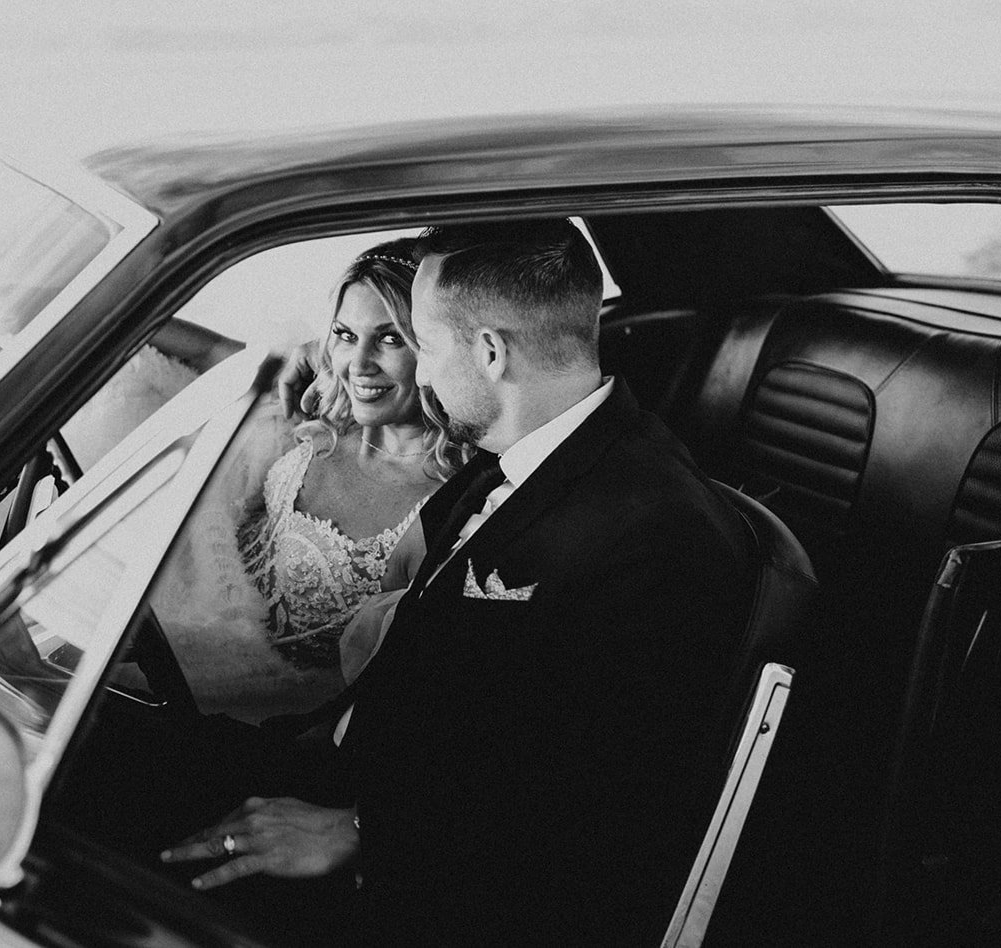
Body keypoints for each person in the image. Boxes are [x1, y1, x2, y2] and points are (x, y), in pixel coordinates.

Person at [162, 219, 756, 947]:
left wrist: (358, 832)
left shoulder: (661, 538)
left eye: (425, 344)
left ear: (490, 352)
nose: (421, 374)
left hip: (428, 880)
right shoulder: (511, 456)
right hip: (333, 765)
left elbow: (602, 802)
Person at [239, 237, 464, 679]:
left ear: (433, 348)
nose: (358, 364)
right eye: (345, 335)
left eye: (390, 339)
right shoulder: (321, 413)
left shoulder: (448, 507)